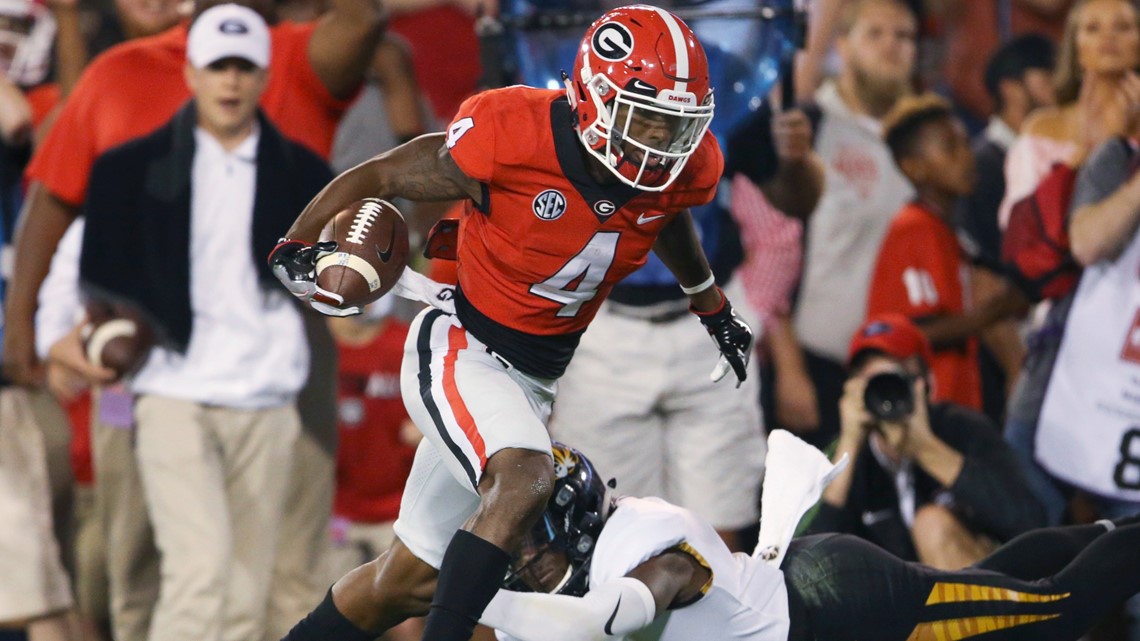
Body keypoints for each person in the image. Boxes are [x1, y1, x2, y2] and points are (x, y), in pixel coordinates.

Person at [272, 5, 754, 641]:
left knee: (404, 581)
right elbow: (390, 171)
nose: (662, 144)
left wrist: (711, 305)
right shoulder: (513, 134)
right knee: (527, 476)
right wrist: (296, 243)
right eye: (648, 121)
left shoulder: (679, 171)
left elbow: (659, 214)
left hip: (534, 376)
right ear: (596, 98)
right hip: (461, 342)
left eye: (676, 126)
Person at [73, 7, 333, 640]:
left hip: (267, 396)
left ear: (265, 77)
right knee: (199, 574)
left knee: (246, 596)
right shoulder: (128, 170)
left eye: (245, 68)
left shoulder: (303, 175)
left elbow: (333, 282)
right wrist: (101, 336)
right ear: (190, 73)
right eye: (219, 66)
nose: (231, 82)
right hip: (171, 390)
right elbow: (97, 277)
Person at [479, 440, 1140, 641]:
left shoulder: (637, 540)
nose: (528, 561)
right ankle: (1111, 532)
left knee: (1051, 612)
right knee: (995, 583)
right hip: (809, 596)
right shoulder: (547, 596)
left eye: (537, 542)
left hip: (840, 606)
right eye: (513, 550)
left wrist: (483, 602)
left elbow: (643, 595)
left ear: (578, 517)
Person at [731, 0, 918, 448]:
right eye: (875, 34)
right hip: (819, 365)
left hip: (903, 360)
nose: (892, 47)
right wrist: (790, 367)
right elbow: (771, 248)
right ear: (843, 45)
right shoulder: (806, 128)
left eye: (904, 36)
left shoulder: (927, 134)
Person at [807, 314, 1045, 570]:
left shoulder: (961, 429)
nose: (886, 394)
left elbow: (1031, 524)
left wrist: (925, 448)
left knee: (931, 524)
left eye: (896, 381)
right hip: (894, 603)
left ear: (927, 385)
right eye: (873, 384)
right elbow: (809, 566)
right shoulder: (848, 453)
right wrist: (849, 446)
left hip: (980, 592)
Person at [867, 94, 1026, 410]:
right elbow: (911, 332)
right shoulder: (913, 228)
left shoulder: (947, 231)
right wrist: (996, 310)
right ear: (914, 168)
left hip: (956, 404)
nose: (966, 156)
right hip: (922, 412)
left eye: (965, 143)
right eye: (950, 147)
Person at [956, 33, 1056, 423]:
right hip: (1001, 366)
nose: (1062, 84)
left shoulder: (1054, 160)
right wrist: (1017, 367)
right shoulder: (981, 167)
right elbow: (981, 281)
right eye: (1048, 75)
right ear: (1011, 88)